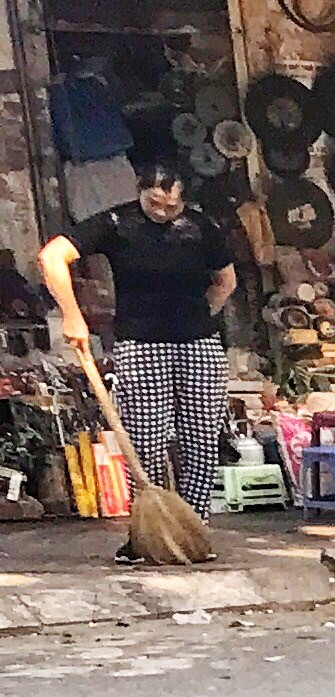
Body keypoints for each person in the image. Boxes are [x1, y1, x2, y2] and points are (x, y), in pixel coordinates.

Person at [39, 155, 238, 528]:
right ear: (139, 192)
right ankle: (149, 528)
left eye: (171, 206)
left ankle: (194, 528)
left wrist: (200, 316)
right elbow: (52, 257)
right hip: (140, 344)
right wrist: (71, 315)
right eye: (153, 203)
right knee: (145, 445)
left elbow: (226, 281)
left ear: (184, 199)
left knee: (201, 442)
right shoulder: (118, 223)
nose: (161, 213)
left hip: (199, 344)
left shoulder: (201, 227)